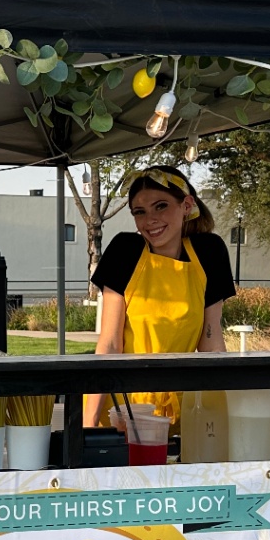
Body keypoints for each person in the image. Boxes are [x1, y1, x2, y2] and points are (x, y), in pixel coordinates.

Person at [85, 166, 235, 427]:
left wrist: (233, 418)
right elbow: (110, 344)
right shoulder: (125, 251)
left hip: (184, 408)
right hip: (125, 410)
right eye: (139, 212)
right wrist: (87, 426)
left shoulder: (209, 253)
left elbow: (211, 345)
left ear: (187, 205)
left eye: (161, 206)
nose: (149, 220)